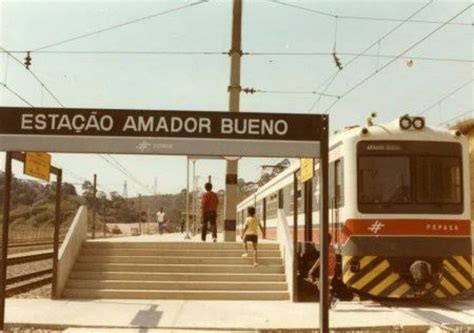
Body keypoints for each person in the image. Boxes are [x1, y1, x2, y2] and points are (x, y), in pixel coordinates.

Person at [304, 234, 338, 309]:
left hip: (326, 271)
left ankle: (332, 299)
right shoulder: (332, 248)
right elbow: (334, 260)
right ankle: (329, 304)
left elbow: (320, 260)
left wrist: (312, 269)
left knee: (321, 287)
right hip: (331, 271)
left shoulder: (325, 249)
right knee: (326, 288)